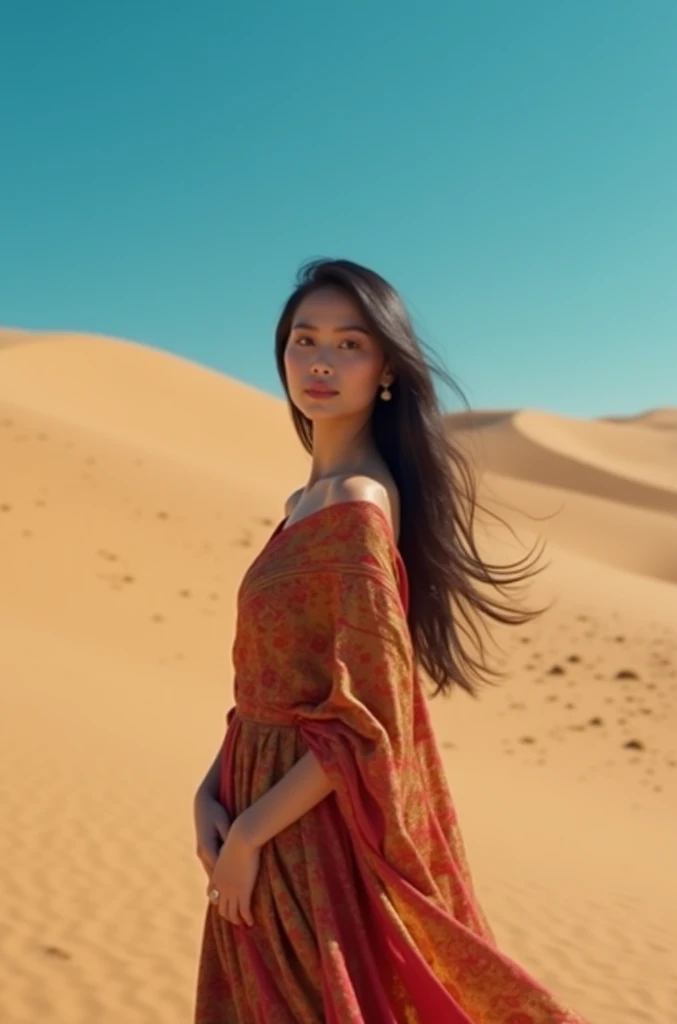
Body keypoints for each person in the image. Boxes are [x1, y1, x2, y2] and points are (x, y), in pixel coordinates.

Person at [193, 259, 586, 1023]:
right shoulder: (304, 501)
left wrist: (247, 834)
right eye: (305, 339)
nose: (321, 361)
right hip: (257, 816)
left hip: (304, 846)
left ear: (385, 372)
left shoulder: (358, 507)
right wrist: (209, 791)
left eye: (350, 344)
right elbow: (270, 686)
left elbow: (366, 719)